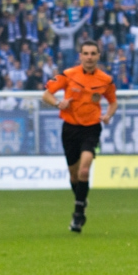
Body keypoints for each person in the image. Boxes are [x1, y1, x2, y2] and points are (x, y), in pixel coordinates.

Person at [43, 41, 117, 233]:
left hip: (92, 128)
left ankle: (77, 215)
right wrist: (59, 103)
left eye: (93, 53)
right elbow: (46, 94)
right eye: (86, 53)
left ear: (99, 56)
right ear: (81, 55)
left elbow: (113, 102)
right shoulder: (69, 75)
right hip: (70, 129)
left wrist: (108, 115)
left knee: (84, 171)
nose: (90, 57)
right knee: (74, 175)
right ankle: (81, 200)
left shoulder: (105, 79)